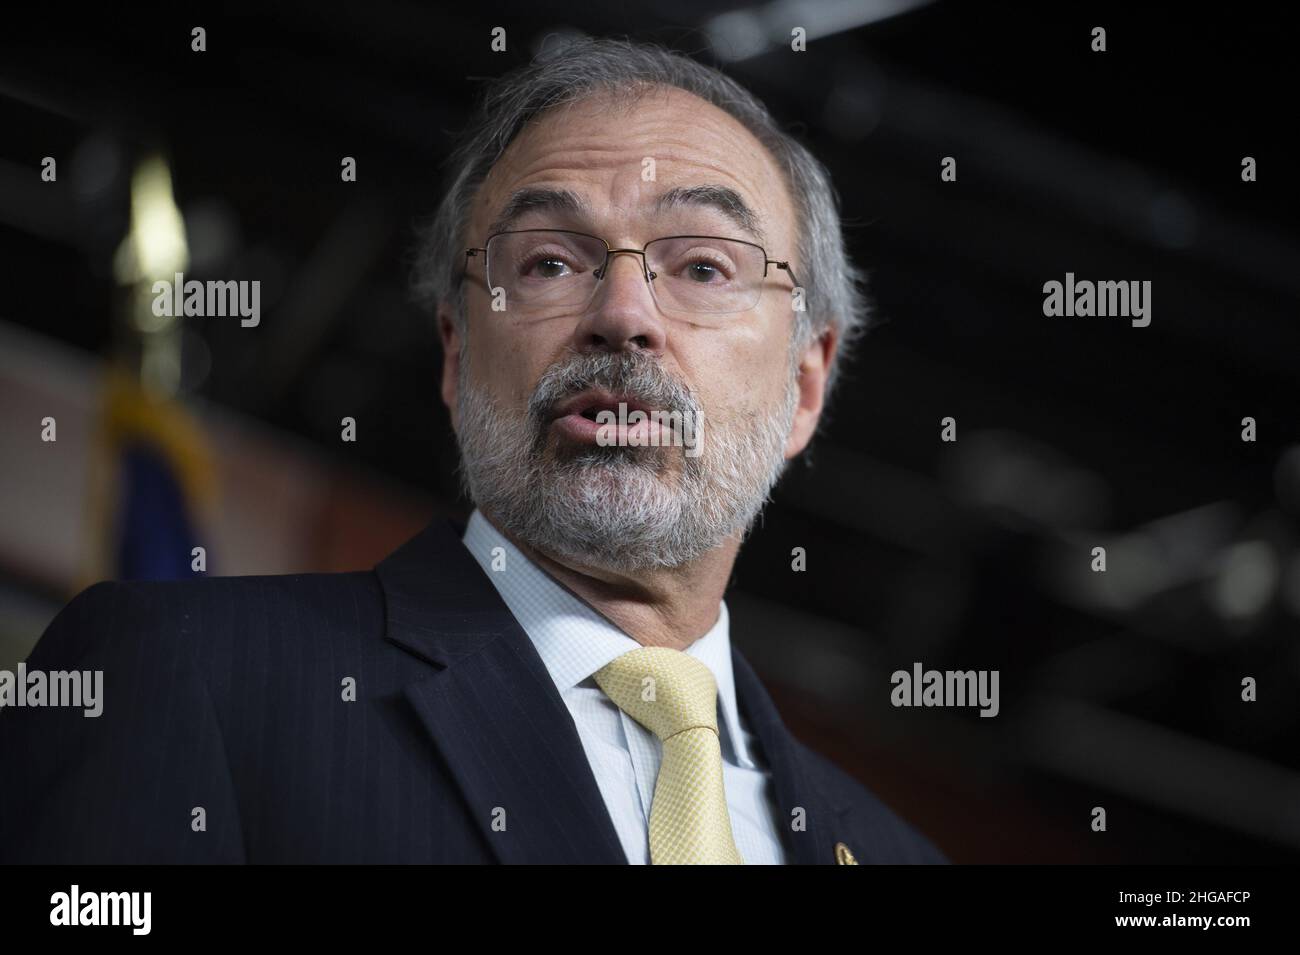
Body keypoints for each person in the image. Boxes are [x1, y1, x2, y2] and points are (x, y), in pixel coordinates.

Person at [0, 37, 945, 864]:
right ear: (456, 353)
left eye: (702, 266)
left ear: (806, 385)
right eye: (548, 263)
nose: (623, 315)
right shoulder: (185, 673)